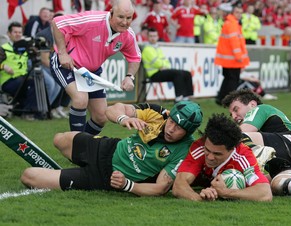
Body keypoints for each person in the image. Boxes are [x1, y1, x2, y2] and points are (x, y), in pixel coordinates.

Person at [20, 100, 203, 195]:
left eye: (179, 128)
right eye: (171, 121)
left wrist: (127, 185)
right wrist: (125, 118)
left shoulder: (185, 149)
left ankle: (77, 171)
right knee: (58, 139)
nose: (171, 128)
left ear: (188, 132)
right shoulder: (158, 113)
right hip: (106, 147)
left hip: (106, 177)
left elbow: (161, 188)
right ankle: (78, 159)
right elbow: (112, 109)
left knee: (29, 176)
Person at [50, 0, 141, 135]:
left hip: (91, 72)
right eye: (121, 17)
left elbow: (135, 57)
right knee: (80, 99)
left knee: (101, 117)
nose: (125, 22)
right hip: (67, 65)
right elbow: (57, 22)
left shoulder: (128, 34)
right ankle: (76, 149)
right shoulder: (92, 20)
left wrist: (129, 77)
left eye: (129, 18)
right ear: (111, 13)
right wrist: (63, 53)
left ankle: (85, 146)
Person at [172, 113, 272, 202]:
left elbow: (265, 193)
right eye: (207, 150)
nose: (210, 157)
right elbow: (179, 185)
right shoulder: (199, 147)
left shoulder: (243, 156)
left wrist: (225, 192)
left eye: (217, 154)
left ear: (232, 149)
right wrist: (200, 198)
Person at [142, 28, 193, 103]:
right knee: (177, 74)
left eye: (154, 36)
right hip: (154, 74)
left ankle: (186, 97)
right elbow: (157, 63)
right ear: (148, 37)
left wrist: (165, 66)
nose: (153, 38)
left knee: (187, 73)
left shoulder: (157, 48)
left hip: (161, 71)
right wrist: (162, 65)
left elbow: (166, 62)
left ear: (158, 37)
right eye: (151, 36)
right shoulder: (147, 49)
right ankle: (178, 98)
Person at [0, 22, 38, 119]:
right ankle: (26, 112)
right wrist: (3, 66)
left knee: (34, 82)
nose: (18, 34)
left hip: (22, 79)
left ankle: (29, 112)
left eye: (19, 32)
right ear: (9, 34)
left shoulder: (25, 47)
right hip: (8, 81)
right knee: (25, 84)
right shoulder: (4, 49)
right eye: (15, 32)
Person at [214, 3, 249, 105]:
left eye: (240, 13)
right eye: (237, 12)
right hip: (232, 59)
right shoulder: (233, 24)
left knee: (228, 79)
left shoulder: (231, 23)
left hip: (229, 59)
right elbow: (234, 42)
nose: (239, 14)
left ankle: (221, 98)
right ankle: (229, 100)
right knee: (233, 81)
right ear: (232, 13)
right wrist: (239, 57)